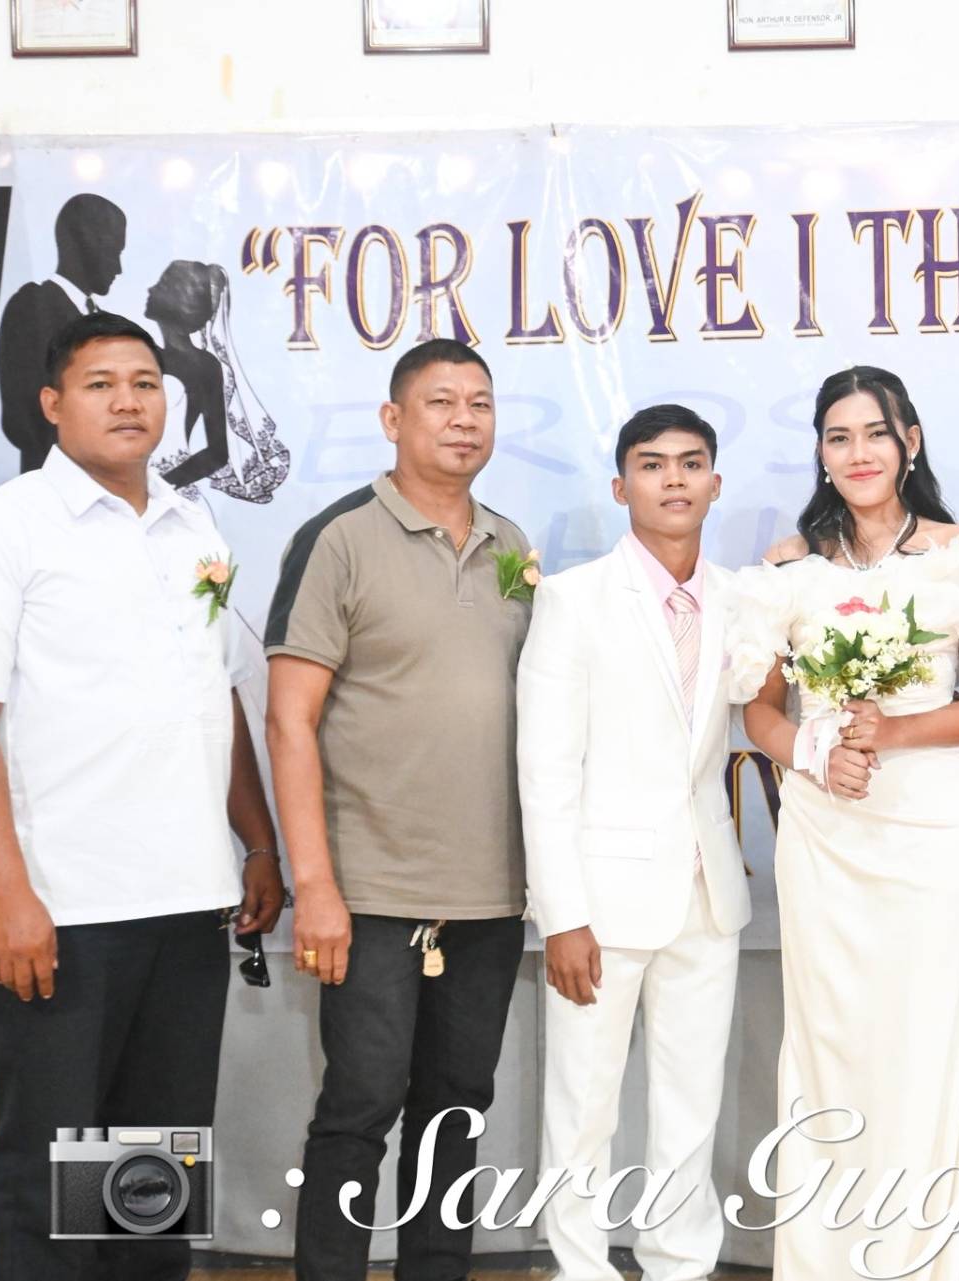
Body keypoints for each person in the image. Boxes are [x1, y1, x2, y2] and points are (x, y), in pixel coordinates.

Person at [0, 310, 285, 1281]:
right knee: (50, 1179)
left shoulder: (194, 528)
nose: (128, 401)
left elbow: (217, 690)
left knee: (147, 1173)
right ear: (51, 404)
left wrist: (255, 843)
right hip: (62, 911)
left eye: (145, 382)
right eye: (100, 383)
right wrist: (10, 893)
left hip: (188, 902)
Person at [727, 365, 959, 1280]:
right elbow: (759, 711)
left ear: (909, 441)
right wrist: (814, 750)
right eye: (839, 436)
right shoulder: (789, 566)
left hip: (928, 827)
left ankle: (925, 1258)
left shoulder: (957, 552)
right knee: (829, 1037)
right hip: (825, 828)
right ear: (821, 453)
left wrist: (890, 731)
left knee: (923, 1038)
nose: (858, 452)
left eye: (875, 432)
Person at [265, 337, 532, 1281]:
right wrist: (315, 886)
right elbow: (288, 721)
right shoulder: (338, 538)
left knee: (456, 1113)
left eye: (479, 404)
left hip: (489, 895)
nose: (463, 420)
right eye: (440, 402)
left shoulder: (511, 547)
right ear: (392, 419)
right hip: (369, 893)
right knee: (358, 1110)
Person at [517, 404, 752, 1281]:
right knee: (583, 1105)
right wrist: (562, 914)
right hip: (601, 902)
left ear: (715, 483)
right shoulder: (572, 598)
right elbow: (545, 769)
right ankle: (579, 1267)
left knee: (691, 1106)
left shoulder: (742, 600)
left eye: (690, 463)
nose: (673, 479)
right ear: (621, 487)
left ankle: (679, 1262)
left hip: (708, 891)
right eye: (652, 464)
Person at [0, 193, 127, 473]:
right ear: (81, 243)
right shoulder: (32, 306)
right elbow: (20, 418)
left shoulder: (100, 318)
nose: (118, 268)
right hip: (54, 482)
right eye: (113, 251)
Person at [144, 258, 292, 504]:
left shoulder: (204, 366)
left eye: (161, 285)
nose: (150, 290)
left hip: (171, 500)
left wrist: (158, 487)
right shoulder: (141, 355)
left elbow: (217, 453)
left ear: (178, 300)